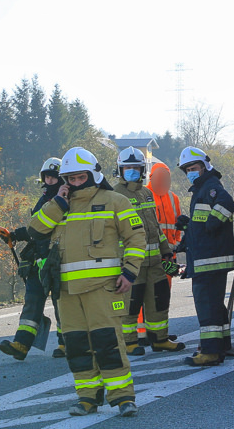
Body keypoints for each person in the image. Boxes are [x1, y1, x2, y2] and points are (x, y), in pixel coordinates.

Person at [29, 147, 145, 417]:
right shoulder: (59, 205)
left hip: (103, 289)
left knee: (108, 343)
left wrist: (128, 272)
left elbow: (136, 238)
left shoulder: (115, 201)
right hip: (66, 292)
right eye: (71, 178)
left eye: (81, 177)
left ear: (93, 174)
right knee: (77, 347)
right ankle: (87, 399)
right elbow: (35, 230)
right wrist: (58, 203)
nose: (76, 183)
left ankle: (123, 398)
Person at [113, 147, 184, 355]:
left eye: (136, 168)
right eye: (128, 168)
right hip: (132, 263)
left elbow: (155, 227)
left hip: (155, 263)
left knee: (159, 301)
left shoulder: (146, 194)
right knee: (130, 304)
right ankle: (129, 342)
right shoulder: (115, 196)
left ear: (143, 170)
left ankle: (160, 339)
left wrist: (166, 252)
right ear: (120, 169)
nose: (132, 171)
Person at [0, 158, 66, 360]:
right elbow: (36, 228)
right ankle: (21, 344)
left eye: (54, 176)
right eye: (47, 176)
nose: (50, 180)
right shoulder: (44, 198)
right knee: (33, 300)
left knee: (62, 302)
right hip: (39, 259)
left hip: (58, 258)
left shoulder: (66, 199)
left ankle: (66, 344)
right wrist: (15, 235)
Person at [175, 146, 234, 366]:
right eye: (188, 169)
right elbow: (200, 227)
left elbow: (228, 203)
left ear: (205, 166)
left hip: (209, 261)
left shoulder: (210, 187)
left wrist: (213, 222)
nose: (191, 172)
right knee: (215, 305)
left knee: (207, 307)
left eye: (194, 167)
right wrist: (187, 230)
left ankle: (210, 352)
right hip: (206, 258)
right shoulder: (201, 189)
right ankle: (222, 345)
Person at [146, 161, 183, 250]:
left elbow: (178, 224)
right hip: (153, 253)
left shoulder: (173, 198)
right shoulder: (144, 194)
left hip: (171, 253)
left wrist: (176, 245)